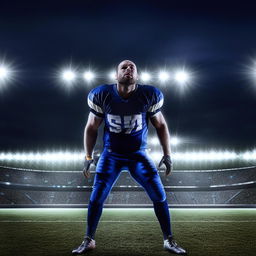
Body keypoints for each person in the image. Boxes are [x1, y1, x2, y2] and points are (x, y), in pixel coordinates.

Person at [72, 60, 187, 255]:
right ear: (116, 76)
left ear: (137, 75)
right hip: (111, 155)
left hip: (138, 155)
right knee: (97, 196)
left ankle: (169, 239)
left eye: (132, 67)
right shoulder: (102, 95)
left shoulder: (148, 95)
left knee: (159, 195)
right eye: (123, 67)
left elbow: (161, 125)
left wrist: (167, 154)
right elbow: (91, 127)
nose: (128, 69)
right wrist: (88, 156)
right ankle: (88, 239)